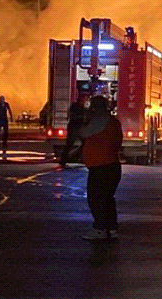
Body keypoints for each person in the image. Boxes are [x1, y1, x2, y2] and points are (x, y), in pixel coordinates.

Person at [61, 95, 123, 241]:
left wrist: (83, 120)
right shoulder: (113, 121)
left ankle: (100, 229)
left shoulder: (100, 120)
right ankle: (111, 228)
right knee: (107, 199)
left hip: (101, 166)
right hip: (111, 165)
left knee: (96, 199)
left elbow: (83, 133)